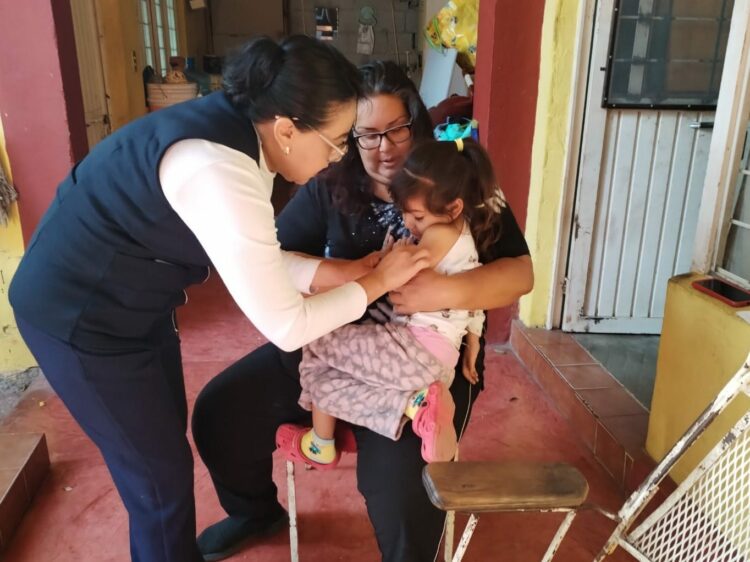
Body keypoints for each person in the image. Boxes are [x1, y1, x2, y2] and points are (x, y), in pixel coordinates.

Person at [8, 38, 430, 562]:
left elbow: (250, 254)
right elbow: (287, 326)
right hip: (78, 318)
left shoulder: (245, 133)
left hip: (137, 303)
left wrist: (341, 273)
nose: (339, 156)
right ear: (287, 129)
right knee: (156, 480)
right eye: (338, 140)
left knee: (165, 453)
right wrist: (376, 282)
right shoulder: (217, 169)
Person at [191, 60, 534, 562]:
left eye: (397, 129)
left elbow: (520, 274)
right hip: (339, 340)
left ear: (416, 122)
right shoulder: (328, 183)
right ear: (347, 136)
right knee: (220, 411)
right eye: (367, 135)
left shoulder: (457, 181)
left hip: (423, 361)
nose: (384, 147)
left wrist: (444, 291)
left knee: (400, 490)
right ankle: (254, 512)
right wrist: (347, 275)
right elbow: (271, 259)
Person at [276, 137, 507, 469]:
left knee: (315, 336)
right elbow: (471, 301)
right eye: (404, 212)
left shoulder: (438, 236)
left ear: (454, 208)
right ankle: (416, 406)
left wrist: (385, 262)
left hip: (410, 350)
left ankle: (322, 443)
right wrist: (473, 340)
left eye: (417, 217)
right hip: (433, 361)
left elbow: (404, 272)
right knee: (326, 382)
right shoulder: (461, 239)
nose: (409, 224)